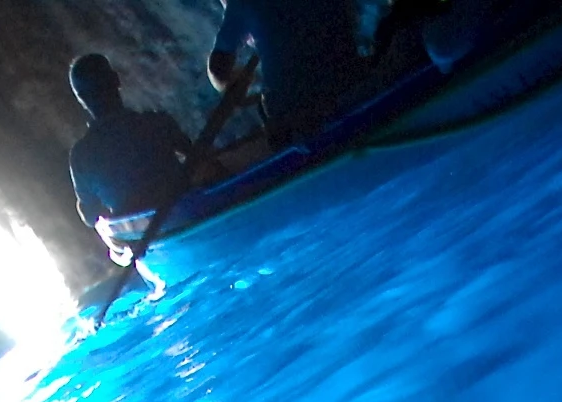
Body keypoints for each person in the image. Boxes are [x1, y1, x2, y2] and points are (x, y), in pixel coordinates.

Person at [208, 0, 367, 146]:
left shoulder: (242, 3)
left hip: (293, 113)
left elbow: (219, 70)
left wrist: (238, 81)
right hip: (352, 84)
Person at [65, 54, 193, 231]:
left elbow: (90, 215)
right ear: (116, 80)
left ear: (81, 99)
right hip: (187, 215)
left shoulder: (81, 157)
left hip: (141, 235)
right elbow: (197, 158)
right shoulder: (157, 122)